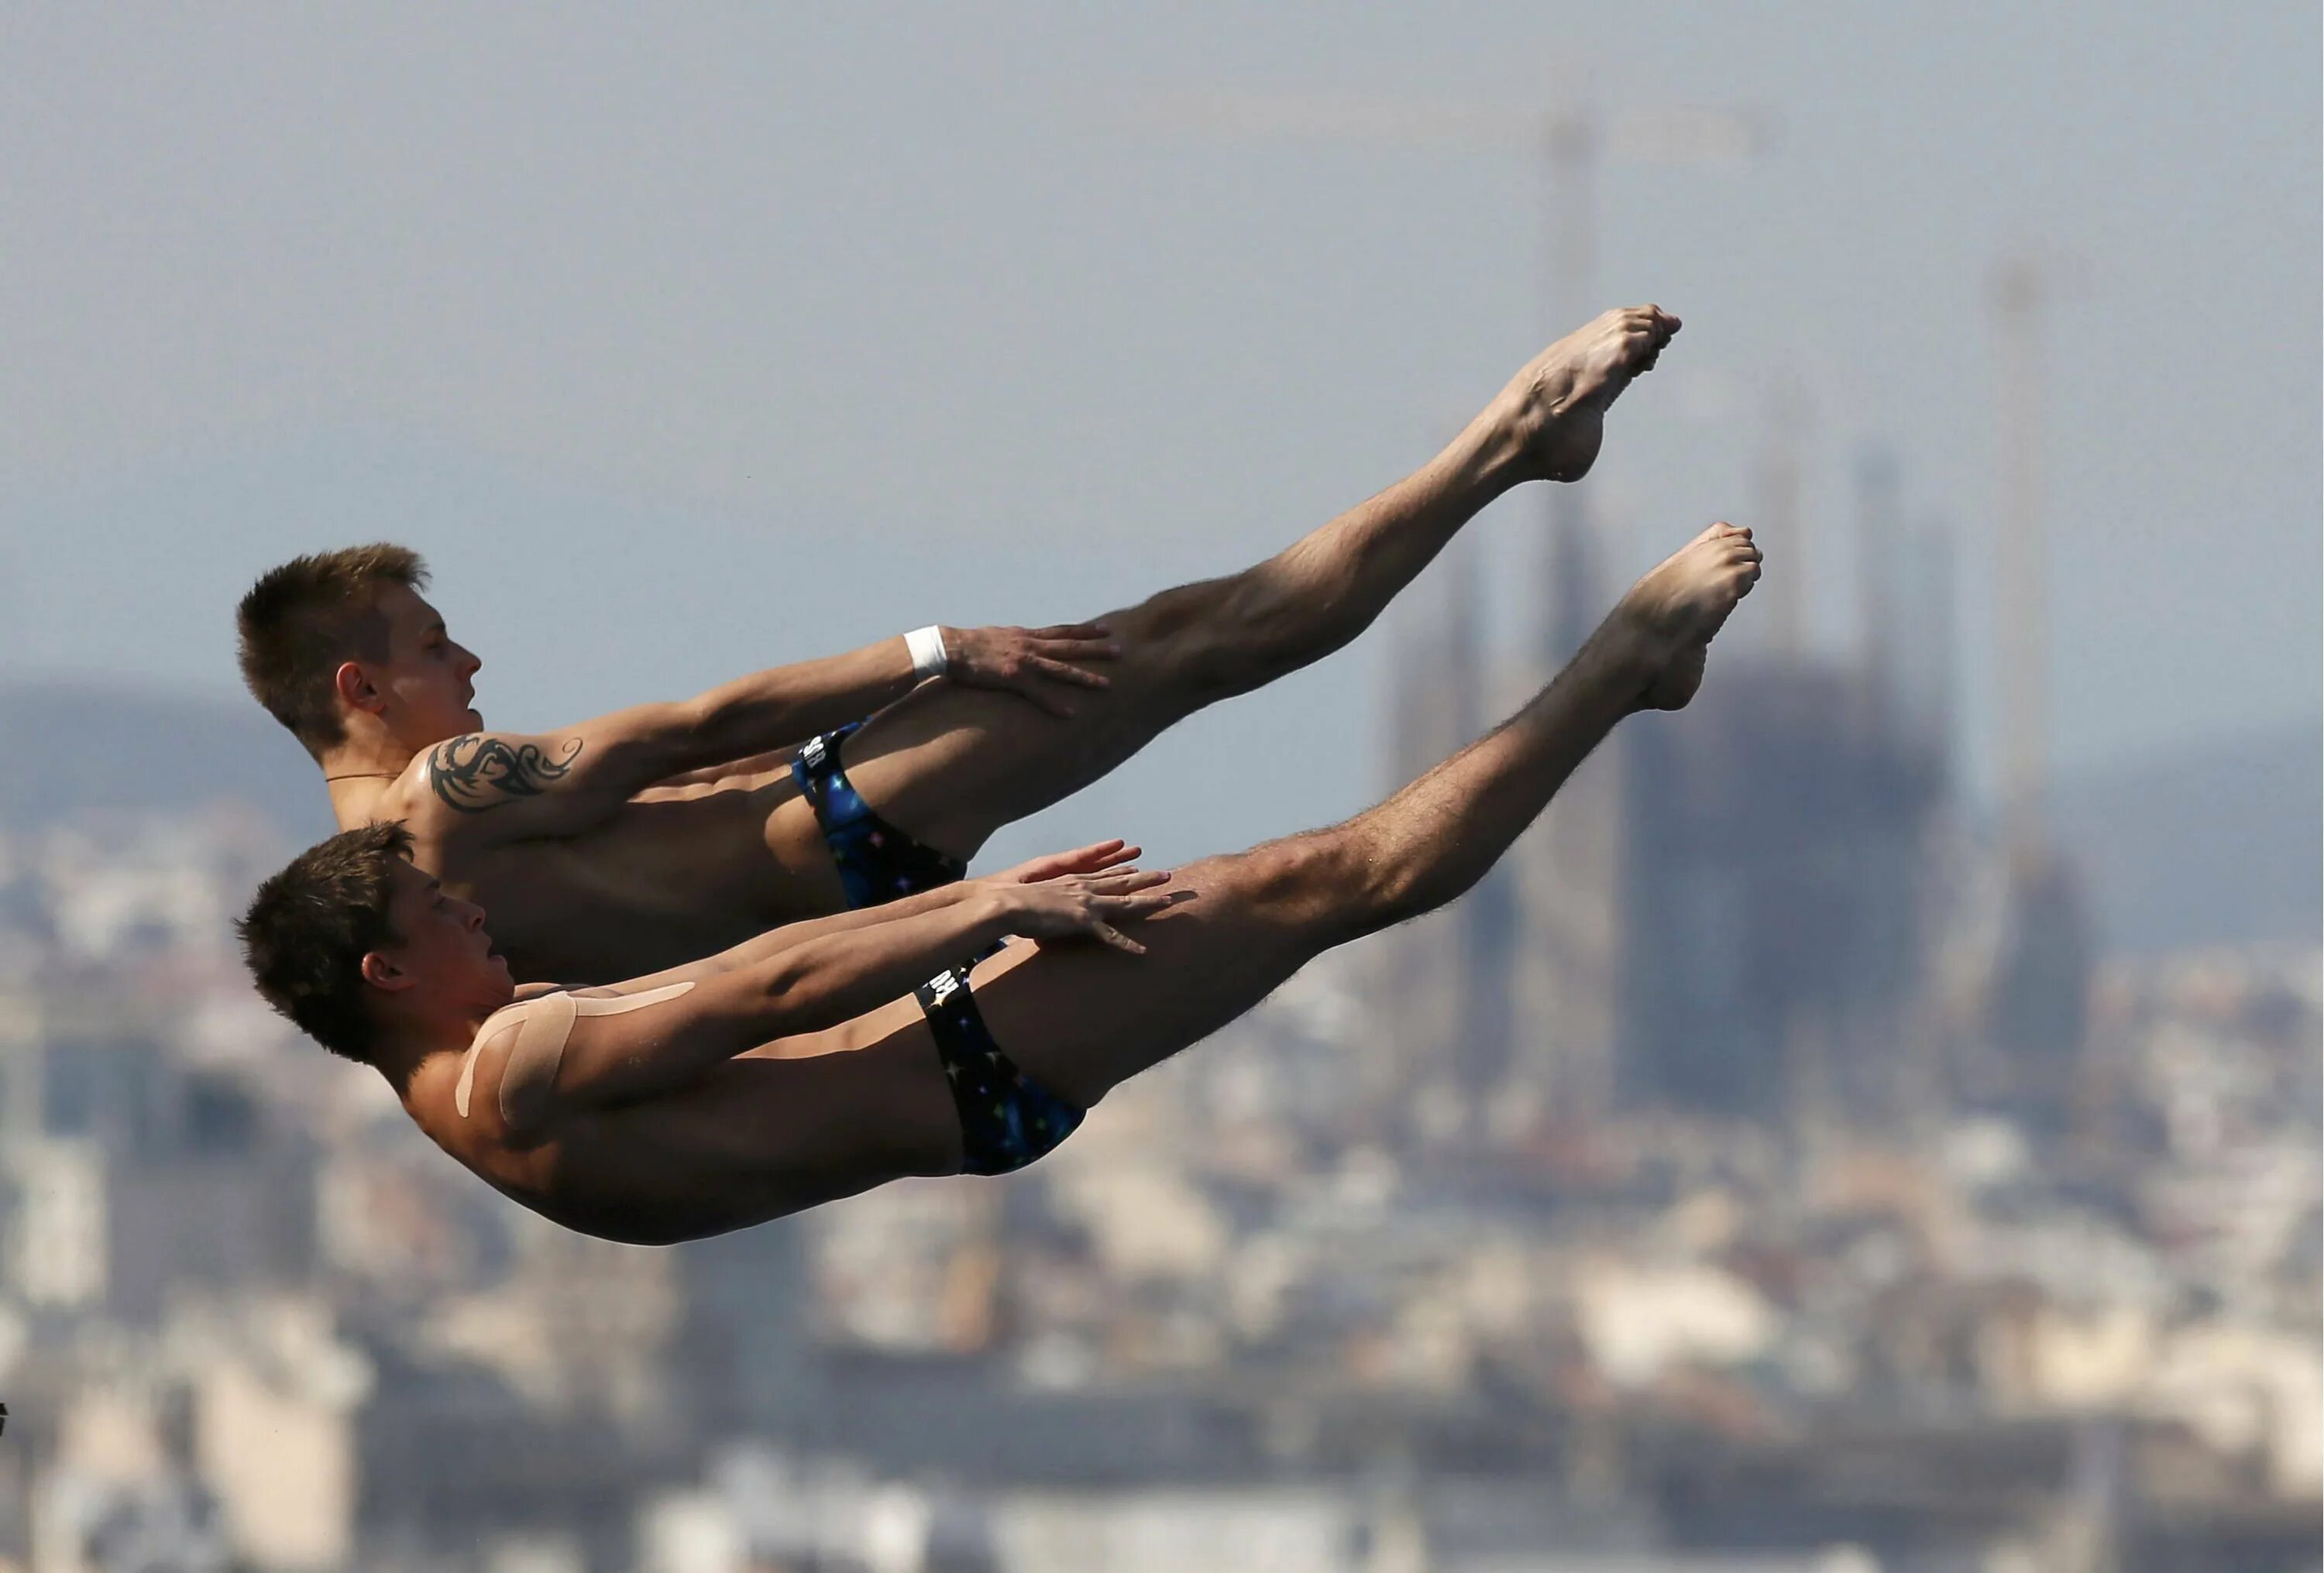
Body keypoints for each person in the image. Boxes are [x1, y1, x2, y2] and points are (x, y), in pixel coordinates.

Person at [238, 521, 1761, 1245]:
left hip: (954, 1035)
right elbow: (754, 986)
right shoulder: (507, 1062)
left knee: (1295, 850)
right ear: (390, 976)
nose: (480, 919)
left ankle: (1628, 666)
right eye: (451, 922)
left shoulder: (464, 1063)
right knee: (1320, 881)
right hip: (974, 1057)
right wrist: (987, 903)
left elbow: (749, 967)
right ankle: (1620, 665)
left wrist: (956, 911)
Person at [235, 307, 1682, 984]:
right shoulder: (443, 797)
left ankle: (1522, 482)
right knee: (1205, 636)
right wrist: (941, 648)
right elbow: (690, 723)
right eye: (431, 646)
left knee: (1278, 819)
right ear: (357, 687)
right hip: (857, 812)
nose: (469, 662)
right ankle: (1510, 444)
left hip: (861, 899)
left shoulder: (387, 908)